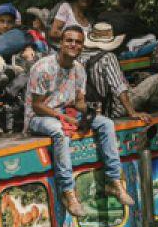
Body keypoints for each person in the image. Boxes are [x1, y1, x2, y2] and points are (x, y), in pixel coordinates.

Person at [25, 25, 135, 217]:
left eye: (78, 42)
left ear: (82, 46)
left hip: (65, 113)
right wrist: (63, 117)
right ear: (60, 43)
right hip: (39, 117)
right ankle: (68, 192)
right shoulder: (43, 68)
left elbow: (78, 102)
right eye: (69, 40)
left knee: (106, 123)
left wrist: (91, 112)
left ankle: (114, 181)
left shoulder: (79, 69)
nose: (73, 45)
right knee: (59, 131)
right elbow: (37, 106)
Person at [79, 22, 151, 122]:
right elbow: (119, 87)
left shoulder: (80, 56)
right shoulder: (108, 58)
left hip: (87, 109)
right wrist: (132, 112)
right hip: (112, 109)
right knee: (157, 81)